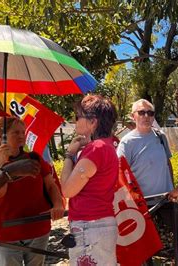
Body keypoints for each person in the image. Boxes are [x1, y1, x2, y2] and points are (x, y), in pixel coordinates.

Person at [117, 99, 178, 264]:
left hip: (166, 198)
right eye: (141, 112)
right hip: (142, 202)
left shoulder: (160, 136)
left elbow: (167, 162)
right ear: (133, 116)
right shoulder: (127, 142)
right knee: (145, 245)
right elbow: (119, 173)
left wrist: (172, 187)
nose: (146, 116)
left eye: (150, 113)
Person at [0, 117, 64, 266]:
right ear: (1, 136)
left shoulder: (34, 158)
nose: (21, 136)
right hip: (6, 231)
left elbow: (51, 185)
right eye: (15, 132)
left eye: (22, 132)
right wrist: (0, 163)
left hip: (37, 228)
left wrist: (58, 204)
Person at [60, 95, 119, 265]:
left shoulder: (96, 149)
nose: (75, 120)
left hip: (89, 226)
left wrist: (69, 155)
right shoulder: (106, 146)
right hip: (99, 224)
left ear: (93, 122)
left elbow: (67, 190)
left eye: (78, 116)